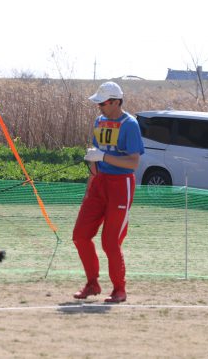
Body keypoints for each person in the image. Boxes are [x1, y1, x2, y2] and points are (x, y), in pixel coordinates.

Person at [72, 82, 145, 303]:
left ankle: (119, 290)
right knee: (80, 235)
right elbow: (96, 156)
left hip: (120, 186)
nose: (99, 107)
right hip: (99, 184)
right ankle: (92, 284)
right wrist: (90, 183)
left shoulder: (130, 125)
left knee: (110, 242)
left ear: (115, 102)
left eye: (102, 103)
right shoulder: (99, 121)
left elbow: (133, 163)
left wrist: (103, 157)